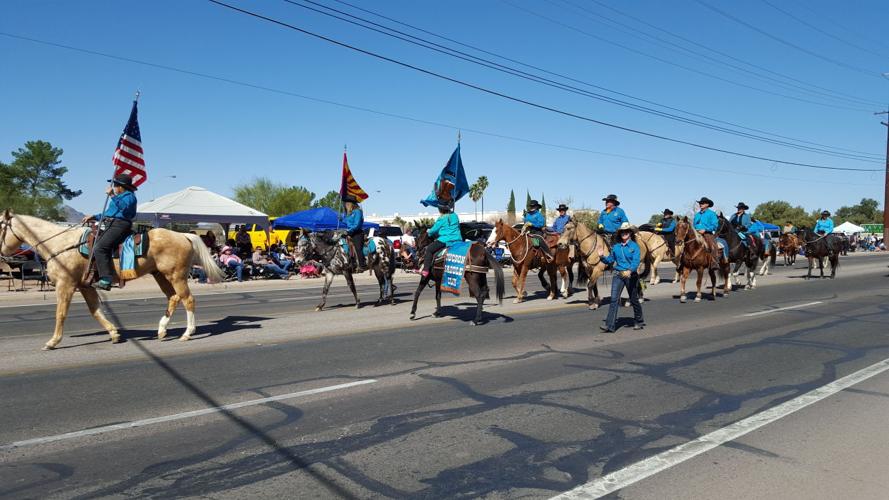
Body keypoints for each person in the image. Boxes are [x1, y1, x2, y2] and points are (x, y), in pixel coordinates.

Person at [80, 174, 138, 290]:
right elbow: (108, 213)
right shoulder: (118, 198)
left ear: (121, 187)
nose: (114, 187)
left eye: (116, 185)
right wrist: (94, 216)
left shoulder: (130, 196)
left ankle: (106, 280)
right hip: (110, 223)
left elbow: (125, 210)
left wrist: (112, 195)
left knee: (100, 248)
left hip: (120, 225)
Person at [598, 222, 644, 333]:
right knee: (614, 299)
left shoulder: (634, 246)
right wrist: (602, 256)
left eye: (626, 231)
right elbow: (610, 260)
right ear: (620, 234)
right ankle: (610, 325)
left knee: (633, 299)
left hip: (631, 276)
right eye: (622, 232)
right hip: (618, 275)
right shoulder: (616, 247)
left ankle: (639, 320)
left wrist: (630, 270)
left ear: (630, 233)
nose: (624, 233)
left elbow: (636, 261)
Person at [422, 202, 462, 278]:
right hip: (458, 240)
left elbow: (433, 230)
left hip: (445, 240)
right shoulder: (455, 215)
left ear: (440, 210)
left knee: (429, 249)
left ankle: (426, 270)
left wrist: (428, 231)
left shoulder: (442, 218)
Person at [693, 196, 721, 267]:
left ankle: (714, 262)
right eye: (700, 203)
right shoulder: (697, 215)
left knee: (713, 245)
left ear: (707, 205)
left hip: (707, 234)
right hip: (696, 234)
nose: (700, 204)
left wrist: (705, 229)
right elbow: (694, 225)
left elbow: (715, 226)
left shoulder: (712, 214)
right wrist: (695, 230)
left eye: (702, 203)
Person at [342, 195, 367, 271]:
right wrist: (341, 219)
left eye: (347, 204)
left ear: (351, 204)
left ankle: (362, 265)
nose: (345, 205)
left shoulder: (358, 212)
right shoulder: (349, 214)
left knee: (358, 248)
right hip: (348, 232)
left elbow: (357, 224)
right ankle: (349, 263)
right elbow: (345, 221)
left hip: (357, 233)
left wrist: (349, 232)